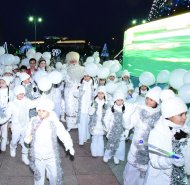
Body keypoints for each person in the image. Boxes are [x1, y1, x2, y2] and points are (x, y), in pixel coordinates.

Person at [24, 98, 75, 185]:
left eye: (43, 111)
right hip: (38, 154)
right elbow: (29, 131)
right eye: (39, 110)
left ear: (49, 111)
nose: (40, 113)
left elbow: (63, 133)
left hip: (50, 155)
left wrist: (69, 145)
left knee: (54, 175)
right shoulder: (34, 121)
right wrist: (28, 137)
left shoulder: (53, 122)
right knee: (38, 175)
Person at [145, 96, 190, 185]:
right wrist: (169, 160)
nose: (184, 117)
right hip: (161, 178)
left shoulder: (185, 129)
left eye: (185, 113)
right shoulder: (157, 132)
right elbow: (154, 161)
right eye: (180, 114)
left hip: (180, 177)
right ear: (169, 116)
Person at [123, 86, 162, 185]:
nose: (148, 101)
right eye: (147, 98)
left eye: (151, 100)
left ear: (157, 102)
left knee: (143, 176)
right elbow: (127, 125)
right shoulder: (139, 110)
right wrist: (127, 114)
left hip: (149, 151)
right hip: (136, 148)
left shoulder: (160, 115)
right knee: (130, 175)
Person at [6, 85, 37, 165]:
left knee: (26, 141)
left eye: (23, 94)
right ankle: (12, 147)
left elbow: (34, 104)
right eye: (20, 94)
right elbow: (7, 114)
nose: (21, 95)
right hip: (16, 126)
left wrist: (42, 99)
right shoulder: (11, 104)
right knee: (14, 139)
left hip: (25, 125)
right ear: (16, 94)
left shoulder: (26, 101)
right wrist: (4, 119)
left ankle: (24, 156)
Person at [103, 91, 128, 164]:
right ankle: (107, 155)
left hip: (121, 131)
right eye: (118, 100)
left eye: (121, 100)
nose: (120, 102)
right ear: (115, 100)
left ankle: (116, 156)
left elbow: (126, 121)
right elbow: (106, 119)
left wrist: (126, 131)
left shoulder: (125, 109)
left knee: (119, 145)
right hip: (112, 130)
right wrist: (107, 128)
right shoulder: (111, 109)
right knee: (111, 143)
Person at [89, 86, 108, 157]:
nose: (100, 95)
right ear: (97, 94)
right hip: (94, 124)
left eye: (102, 93)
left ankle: (100, 152)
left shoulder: (106, 104)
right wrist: (93, 108)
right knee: (94, 138)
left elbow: (108, 115)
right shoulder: (93, 102)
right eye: (99, 93)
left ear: (104, 94)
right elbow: (90, 113)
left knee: (100, 138)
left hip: (102, 124)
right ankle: (94, 152)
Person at [77, 72, 94, 145]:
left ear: (91, 77)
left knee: (87, 123)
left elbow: (94, 96)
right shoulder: (80, 85)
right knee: (81, 124)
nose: (86, 77)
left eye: (88, 76)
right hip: (82, 108)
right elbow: (75, 94)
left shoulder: (93, 86)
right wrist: (80, 93)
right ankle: (81, 140)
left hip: (89, 108)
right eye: (85, 76)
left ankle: (86, 137)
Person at [0, 76, 13, 151]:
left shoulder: (10, 92)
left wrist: (9, 113)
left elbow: (11, 103)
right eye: (0, 83)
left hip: (5, 114)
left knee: (4, 130)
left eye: (3, 83)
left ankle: (3, 146)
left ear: (7, 84)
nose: (1, 84)